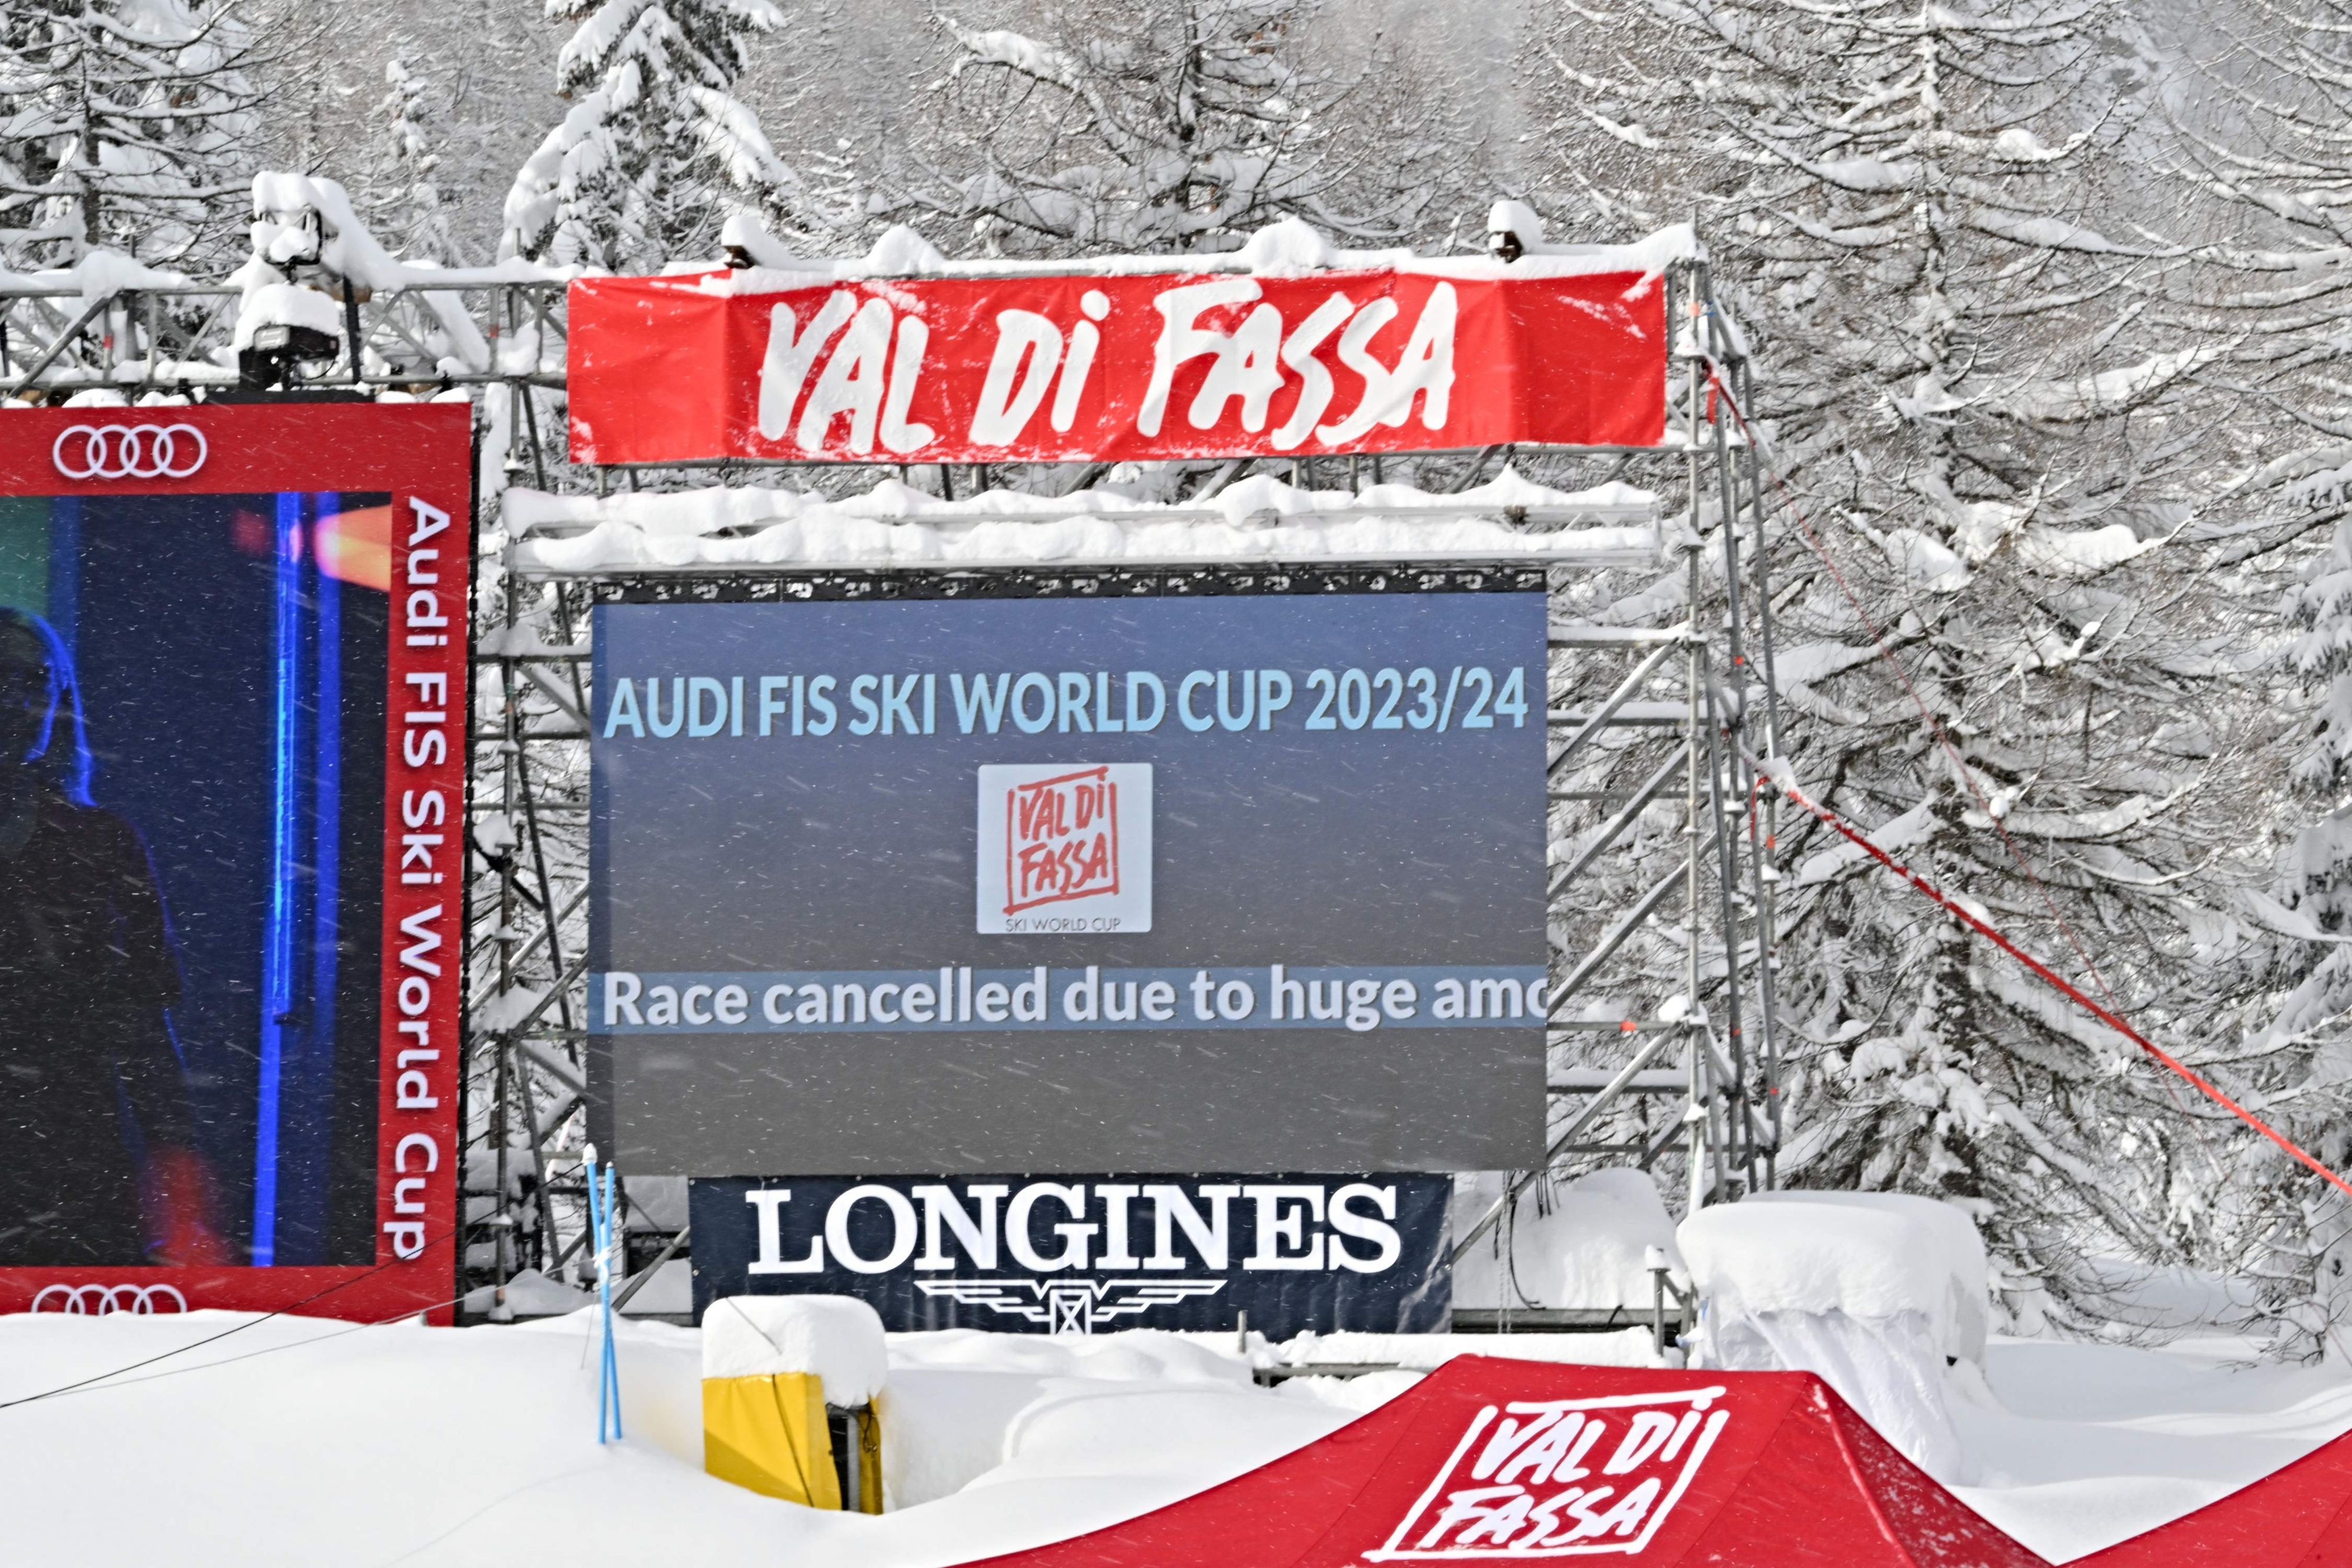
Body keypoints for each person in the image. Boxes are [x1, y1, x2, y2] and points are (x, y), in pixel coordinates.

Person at [0, 608, 222, 1266]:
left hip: (73, 1170)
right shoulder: (97, 843)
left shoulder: (102, 843)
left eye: (33, 682)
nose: (15, 702)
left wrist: (181, 1194)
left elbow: (146, 1032)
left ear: (59, 700)